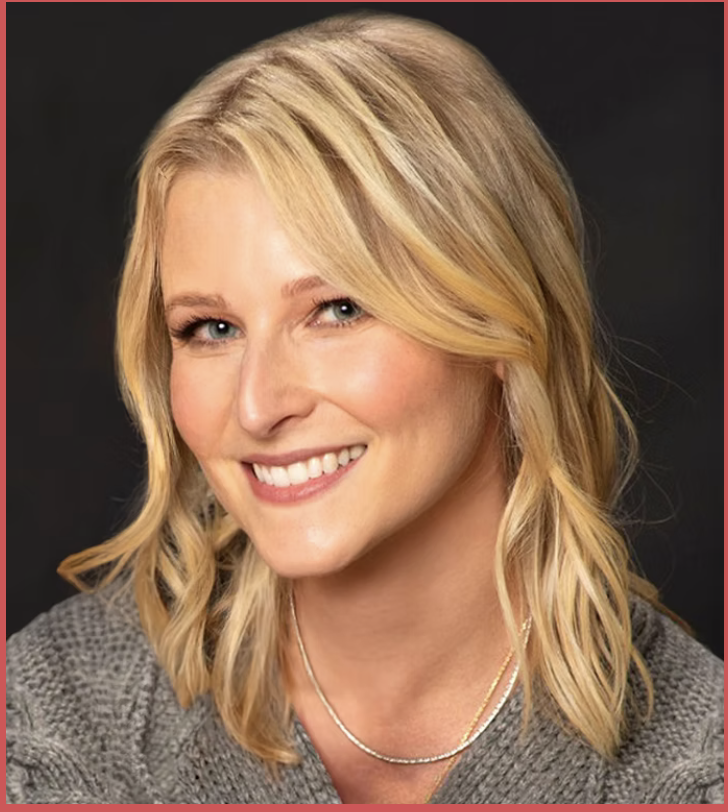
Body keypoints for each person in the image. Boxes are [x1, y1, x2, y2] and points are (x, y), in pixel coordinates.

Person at [6, 12, 723, 805]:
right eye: (211, 328)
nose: (257, 405)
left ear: (500, 319)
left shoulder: (695, 767)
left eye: (338, 310)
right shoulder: (53, 725)